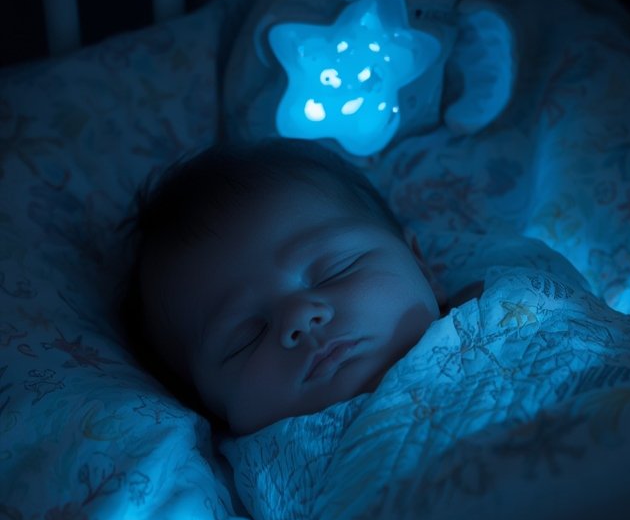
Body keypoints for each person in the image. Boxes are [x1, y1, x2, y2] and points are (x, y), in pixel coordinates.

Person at [122, 138, 477, 436]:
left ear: (421, 265)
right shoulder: (250, 482)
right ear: (213, 409)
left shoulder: (510, 302)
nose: (298, 317)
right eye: (246, 338)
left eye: (336, 271)